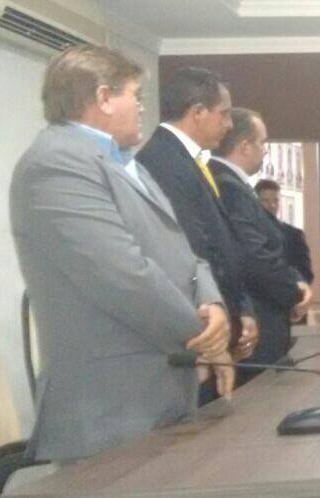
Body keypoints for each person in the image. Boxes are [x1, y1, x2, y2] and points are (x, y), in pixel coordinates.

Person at [10, 45, 232, 462]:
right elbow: (125, 277)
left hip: (156, 395)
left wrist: (212, 303)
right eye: (136, 96)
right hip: (110, 408)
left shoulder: (128, 164)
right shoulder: (55, 165)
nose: (143, 108)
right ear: (104, 98)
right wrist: (206, 339)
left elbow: (184, 253)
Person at [137, 66, 257, 369]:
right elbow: (191, 249)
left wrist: (240, 309)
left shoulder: (189, 159)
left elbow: (220, 239)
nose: (230, 124)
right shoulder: (163, 161)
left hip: (219, 316)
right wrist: (216, 321)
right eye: (224, 114)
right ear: (198, 112)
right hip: (199, 329)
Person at [208, 108, 311, 375]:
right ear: (245, 146)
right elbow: (254, 256)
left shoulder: (229, 182)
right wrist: (295, 291)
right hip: (254, 319)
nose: (265, 151)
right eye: (263, 143)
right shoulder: (227, 186)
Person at [255, 179, 314, 286]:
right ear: (256, 202)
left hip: (286, 291)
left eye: (276, 200)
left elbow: (306, 273)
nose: (272, 205)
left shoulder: (294, 235)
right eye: (266, 201)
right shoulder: (249, 233)